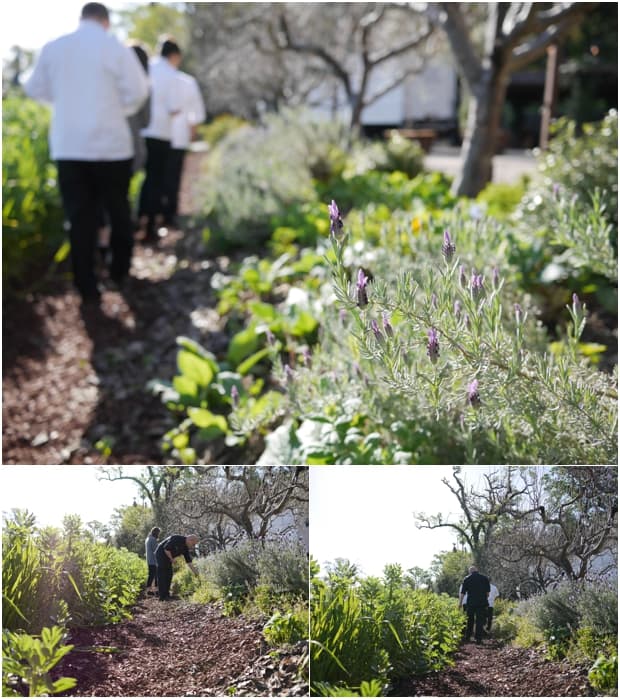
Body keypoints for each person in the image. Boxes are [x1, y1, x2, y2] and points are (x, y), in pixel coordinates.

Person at [24, 2, 149, 302]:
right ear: (106, 21)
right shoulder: (115, 47)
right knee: (118, 210)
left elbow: (33, 88)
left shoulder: (55, 47)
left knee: (80, 217)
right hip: (112, 146)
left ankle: (86, 284)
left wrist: (65, 102)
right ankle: (119, 271)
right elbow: (139, 90)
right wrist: (118, 108)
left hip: (70, 147)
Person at [98, 41, 151, 268]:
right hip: (128, 150)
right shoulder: (144, 84)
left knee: (100, 203)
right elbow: (146, 121)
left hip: (98, 148)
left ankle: (102, 246)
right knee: (119, 202)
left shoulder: (107, 80)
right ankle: (121, 261)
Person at [138, 37, 182, 242]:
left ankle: (139, 219)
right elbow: (174, 108)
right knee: (157, 181)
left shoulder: (148, 66)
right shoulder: (171, 74)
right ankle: (151, 227)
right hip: (161, 133)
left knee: (146, 180)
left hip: (142, 131)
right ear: (173, 56)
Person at [162, 70, 206, 228]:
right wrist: (193, 129)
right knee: (174, 175)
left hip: (160, 135)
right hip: (178, 136)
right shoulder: (186, 81)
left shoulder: (154, 74)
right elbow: (197, 110)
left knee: (160, 174)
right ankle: (170, 212)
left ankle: (160, 212)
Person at [155, 533, 199, 601]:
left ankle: (167, 594)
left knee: (169, 574)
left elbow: (189, 562)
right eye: (193, 544)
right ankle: (162, 596)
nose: (193, 546)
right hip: (161, 554)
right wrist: (172, 559)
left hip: (169, 557)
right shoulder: (176, 538)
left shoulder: (185, 547)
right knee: (163, 574)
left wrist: (196, 573)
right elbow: (166, 549)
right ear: (190, 540)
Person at [459, 565, 490, 644]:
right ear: (477, 570)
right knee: (479, 620)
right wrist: (484, 599)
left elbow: (462, 593)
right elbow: (487, 593)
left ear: (470, 572)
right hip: (481, 603)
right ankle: (478, 638)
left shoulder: (467, 579)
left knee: (470, 620)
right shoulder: (484, 578)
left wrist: (460, 603)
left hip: (471, 603)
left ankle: (468, 636)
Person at [144, 526, 160, 595]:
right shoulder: (153, 539)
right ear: (156, 533)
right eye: (158, 533)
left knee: (152, 574)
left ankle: (150, 590)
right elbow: (156, 550)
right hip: (153, 560)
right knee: (155, 575)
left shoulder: (147, 539)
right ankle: (154, 590)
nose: (159, 534)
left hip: (149, 559)